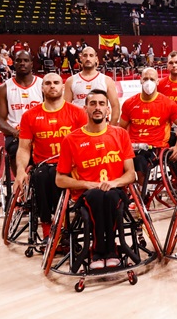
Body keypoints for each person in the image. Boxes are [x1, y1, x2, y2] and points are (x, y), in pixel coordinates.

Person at [56, 90, 136, 270]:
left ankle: (99, 251)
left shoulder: (121, 134)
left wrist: (114, 182)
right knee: (98, 196)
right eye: (93, 104)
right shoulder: (71, 139)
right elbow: (60, 179)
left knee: (108, 196)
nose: (97, 108)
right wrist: (87, 184)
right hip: (86, 195)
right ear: (85, 108)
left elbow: (131, 174)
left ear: (108, 109)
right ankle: (108, 250)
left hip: (115, 191)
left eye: (101, 104)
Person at [14, 73, 88, 241]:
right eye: (48, 83)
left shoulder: (77, 113)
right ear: (42, 88)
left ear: (63, 87)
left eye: (56, 83)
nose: (52, 86)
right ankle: (48, 226)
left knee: (58, 175)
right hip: (45, 166)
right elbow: (24, 148)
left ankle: (66, 224)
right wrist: (20, 170)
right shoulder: (30, 116)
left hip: (72, 165)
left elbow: (87, 143)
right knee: (42, 176)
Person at [119, 68, 177, 186]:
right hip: (133, 147)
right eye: (145, 79)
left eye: (151, 79)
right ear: (140, 80)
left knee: (139, 161)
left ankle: (141, 196)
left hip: (156, 148)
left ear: (157, 81)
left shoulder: (168, 103)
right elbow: (121, 129)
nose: (148, 82)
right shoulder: (129, 103)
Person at [0, 51, 43, 171]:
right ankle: (20, 183)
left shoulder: (43, 85)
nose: (22, 63)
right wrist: (15, 132)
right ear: (13, 63)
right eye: (19, 60)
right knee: (16, 149)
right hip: (16, 134)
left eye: (26, 60)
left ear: (31, 63)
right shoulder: (3, 89)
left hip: (41, 132)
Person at [64, 47, 120, 124]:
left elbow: (115, 106)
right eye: (85, 55)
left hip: (101, 127)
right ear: (81, 58)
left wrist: (111, 127)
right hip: (78, 126)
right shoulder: (71, 81)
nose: (88, 58)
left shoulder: (107, 80)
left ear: (96, 59)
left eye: (91, 55)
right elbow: (65, 108)